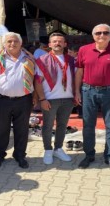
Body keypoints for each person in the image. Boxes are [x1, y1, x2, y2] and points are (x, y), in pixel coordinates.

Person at [75, 24, 110, 173]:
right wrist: (77, 92)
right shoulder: (84, 50)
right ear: (93, 35)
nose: (102, 35)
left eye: (105, 33)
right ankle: (89, 155)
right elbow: (79, 73)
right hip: (88, 91)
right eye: (98, 33)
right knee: (88, 125)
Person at [0, 32, 35, 169]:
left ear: (21, 43)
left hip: (24, 100)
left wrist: (36, 98)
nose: (12, 44)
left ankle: (19, 155)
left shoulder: (29, 58)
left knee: (22, 129)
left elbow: (37, 78)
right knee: (1, 129)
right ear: (4, 44)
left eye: (15, 41)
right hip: (2, 100)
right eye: (9, 41)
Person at [34, 33, 75, 165]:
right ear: (49, 44)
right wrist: (42, 99)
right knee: (47, 126)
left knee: (62, 126)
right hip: (50, 99)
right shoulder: (42, 60)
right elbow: (38, 82)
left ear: (65, 44)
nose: (57, 43)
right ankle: (47, 150)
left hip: (68, 99)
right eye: (54, 41)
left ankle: (58, 148)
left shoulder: (72, 60)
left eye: (60, 41)